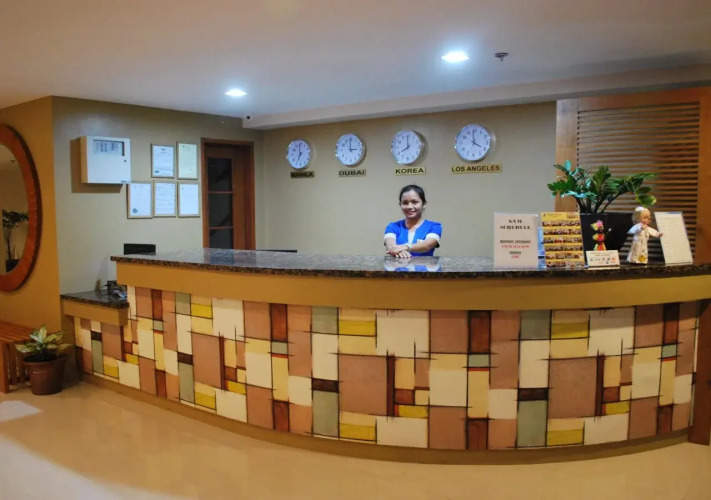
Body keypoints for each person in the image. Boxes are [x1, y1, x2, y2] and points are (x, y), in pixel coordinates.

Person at [384, 185, 442, 258]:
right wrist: (397, 251)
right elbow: (390, 245)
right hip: (397, 265)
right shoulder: (392, 227)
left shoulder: (434, 227)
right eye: (405, 203)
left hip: (425, 266)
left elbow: (427, 245)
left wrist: (406, 247)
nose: (409, 207)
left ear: (424, 204)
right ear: (400, 204)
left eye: (414, 202)